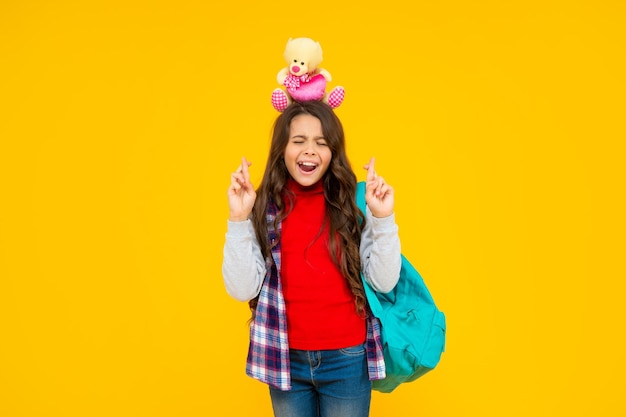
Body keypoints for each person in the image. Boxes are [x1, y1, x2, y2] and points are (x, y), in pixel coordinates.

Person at [222, 100, 401, 417]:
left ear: (333, 152)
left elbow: (383, 281)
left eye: (321, 143)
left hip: (346, 357)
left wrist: (383, 218)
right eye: (298, 141)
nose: (310, 151)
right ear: (282, 150)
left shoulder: (354, 202)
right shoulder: (265, 206)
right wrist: (238, 219)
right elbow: (242, 289)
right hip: (285, 358)